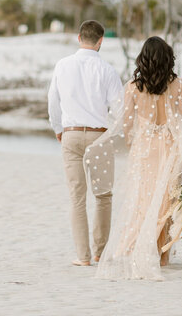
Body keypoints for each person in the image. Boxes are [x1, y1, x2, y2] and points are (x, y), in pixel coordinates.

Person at [84, 36, 182, 281]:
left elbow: (126, 122)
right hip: (171, 147)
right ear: (168, 58)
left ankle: (132, 247)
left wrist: (133, 144)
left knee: (143, 200)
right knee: (166, 201)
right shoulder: (179, 85)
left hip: (145, 147)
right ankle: (162, 255)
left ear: (143, 59)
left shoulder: (133, 87)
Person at [48, 20, 123, 267]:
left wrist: (59, 130)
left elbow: (53, 102)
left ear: (79, 37)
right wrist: (111, 133)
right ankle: (100, 252)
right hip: (99, 136)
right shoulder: (108, 70)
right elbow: (120, 109)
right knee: (103, 196)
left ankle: (83, 257)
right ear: (101, 41)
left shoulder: (62, 65)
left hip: (70, 135)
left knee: (77, 198)